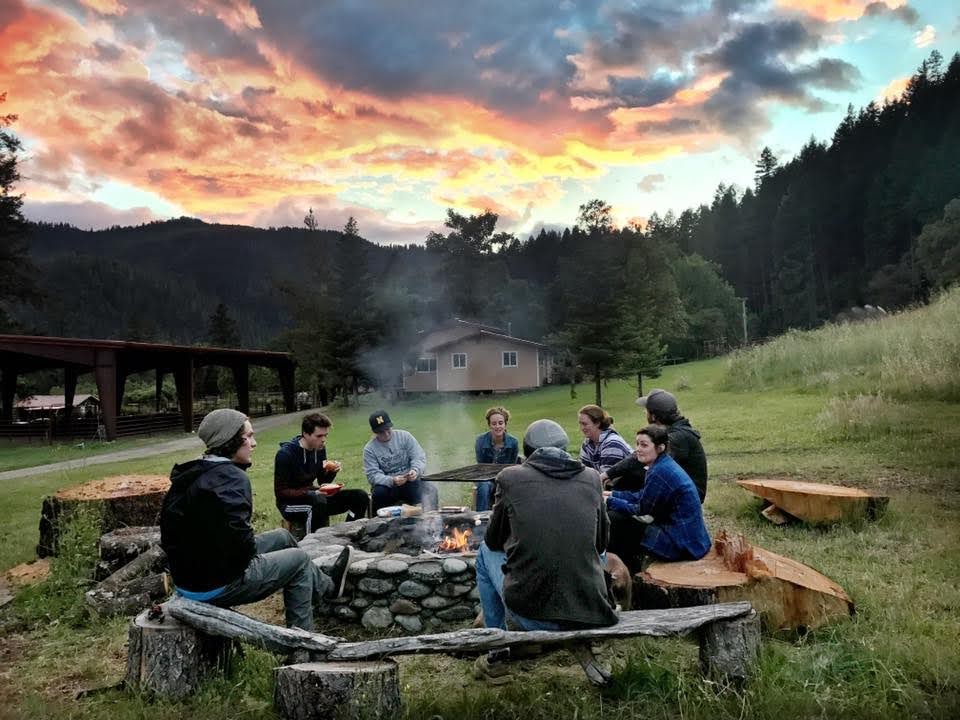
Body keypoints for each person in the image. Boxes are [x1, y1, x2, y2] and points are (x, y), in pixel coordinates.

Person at [160, 408, 352, 632]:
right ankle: (304, 645)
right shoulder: (232, 479)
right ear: (231, 440)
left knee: (282, 537)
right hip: (214, 583)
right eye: (249, 436)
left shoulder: (195, 472)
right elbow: (242, 548)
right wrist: (258, 560)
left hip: (191, 575)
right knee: (298, 559)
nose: (254, 443)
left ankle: (326, 588)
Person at [474, 419, 617, 681]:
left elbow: (494, 541)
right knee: (596, 551)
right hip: (590, 610)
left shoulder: (509, 478)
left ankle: (497, 655)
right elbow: (601, 544)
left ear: (526, 452)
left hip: (533, 614)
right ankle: (586, 627)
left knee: (484, 553)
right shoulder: (591, 479)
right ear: (565, 448)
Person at [604, 424, 711, 574]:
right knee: (619, 518)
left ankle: (625, 575)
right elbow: (643, 495)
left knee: (616, 521)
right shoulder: (662, 464)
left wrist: (609, 502)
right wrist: (612, 495)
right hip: (692, 540)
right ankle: (627, 571)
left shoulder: (660, 471)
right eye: (637, 444)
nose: (638, 449)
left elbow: (641, 509)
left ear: (660, 448)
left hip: (682, 544)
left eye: (644, 445)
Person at [600, 389, 708, 500]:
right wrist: (612, 476)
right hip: (678, 491)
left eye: (646, 411)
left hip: (687, 498)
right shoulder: (674, 431)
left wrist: (608, 476)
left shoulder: (678, 437)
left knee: (636, 477)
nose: (645, 414)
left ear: (654, 416)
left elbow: (640, 460)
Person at [274, 412, 370, 536]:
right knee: (316, 503)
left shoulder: (319, 449)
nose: (323, 440)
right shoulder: (285, 454)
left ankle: (350, 534)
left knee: (359, 496)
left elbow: (322, 482)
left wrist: (331, 471)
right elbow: (281, 492)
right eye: (319, 436)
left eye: (325, 435)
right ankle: (313, 545)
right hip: (290, 504)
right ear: (305, 434)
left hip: (315, 497)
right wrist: (312, 493)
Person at [362, 410, 434, 513]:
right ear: (374, 432)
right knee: (379, 494)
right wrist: (392, 480)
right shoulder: (369, 449)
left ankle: (430, 521)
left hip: (410, 481)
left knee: (429, 490)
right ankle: (380, 525)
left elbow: (419, 457)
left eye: (388, 429)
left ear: (392, 426)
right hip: (387, 487)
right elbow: (372, 475)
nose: (386, 434)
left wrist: (415, 470)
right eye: (381, 432)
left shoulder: (405, 437)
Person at [473, 406, 520, 511]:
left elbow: (511, 467)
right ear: (489, 425)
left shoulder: (513, 443)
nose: (497, 426)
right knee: (483, 485)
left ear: (505, 424)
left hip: (504, 478)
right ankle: (482, 517)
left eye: (500, 423)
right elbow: (481, 466)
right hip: (486, 478)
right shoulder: (480, 441)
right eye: (494, 424)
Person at [578, 404, 633, 474]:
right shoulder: (587, 443)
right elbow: (584, 472)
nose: (582, 428)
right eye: (580, 424)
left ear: (597, 423)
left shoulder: (612, 443)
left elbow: (606, 479)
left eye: (585, 424)